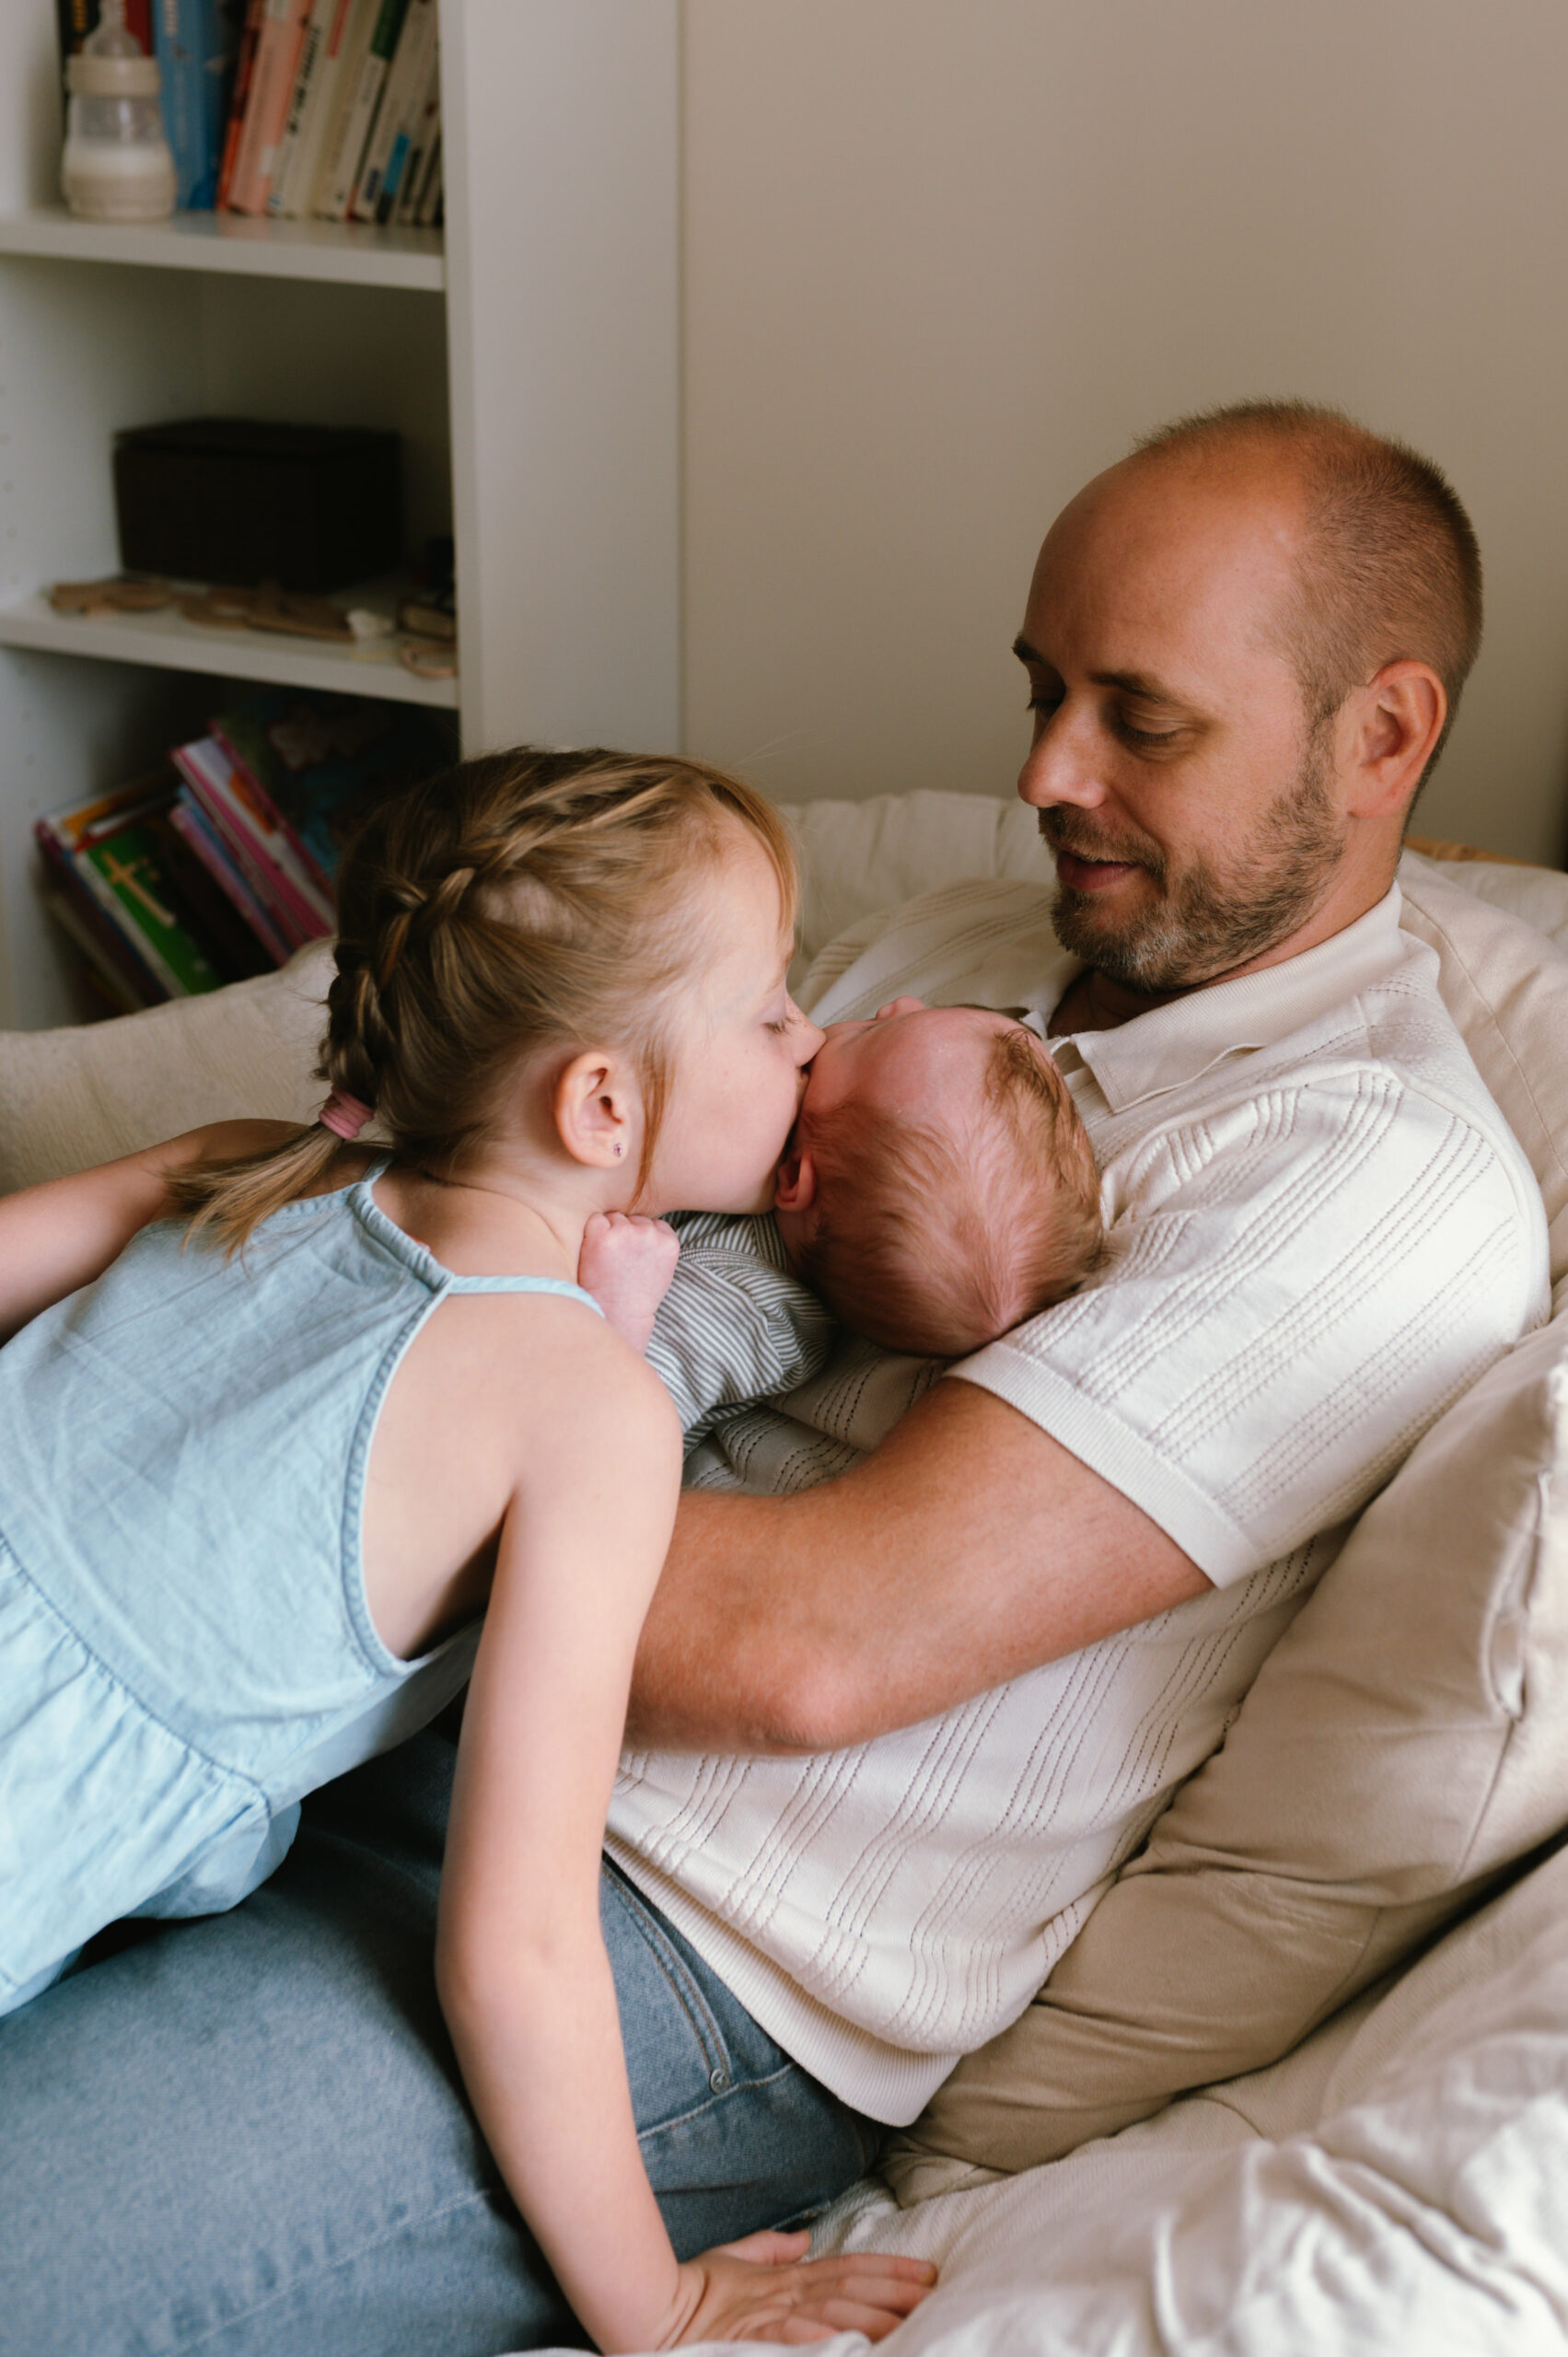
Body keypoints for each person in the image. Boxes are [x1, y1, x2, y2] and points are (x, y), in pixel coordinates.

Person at [0, 401, 1550, 2357]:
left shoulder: (1370, 1171)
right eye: (1038, 688)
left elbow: (815, 1642)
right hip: (326, 1728)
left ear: (1380, 732)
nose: (1040, 771)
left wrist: (253, 1454)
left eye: (1135, 719)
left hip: (677, 1932)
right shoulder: (958, 940)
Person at [0, 746, 935, 2351]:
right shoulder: (585, 1421)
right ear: (599, 1104)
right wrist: (655, 2304)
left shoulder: (245, 1158)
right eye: (772, 1007)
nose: (811, 1038)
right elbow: (513, 1948)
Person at [634, 998, 1104, 1450]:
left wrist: (624, 1313)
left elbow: (610, 1424)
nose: (897, 1003)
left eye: (867, 1033)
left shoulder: (743, 1315)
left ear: (796, 1175)